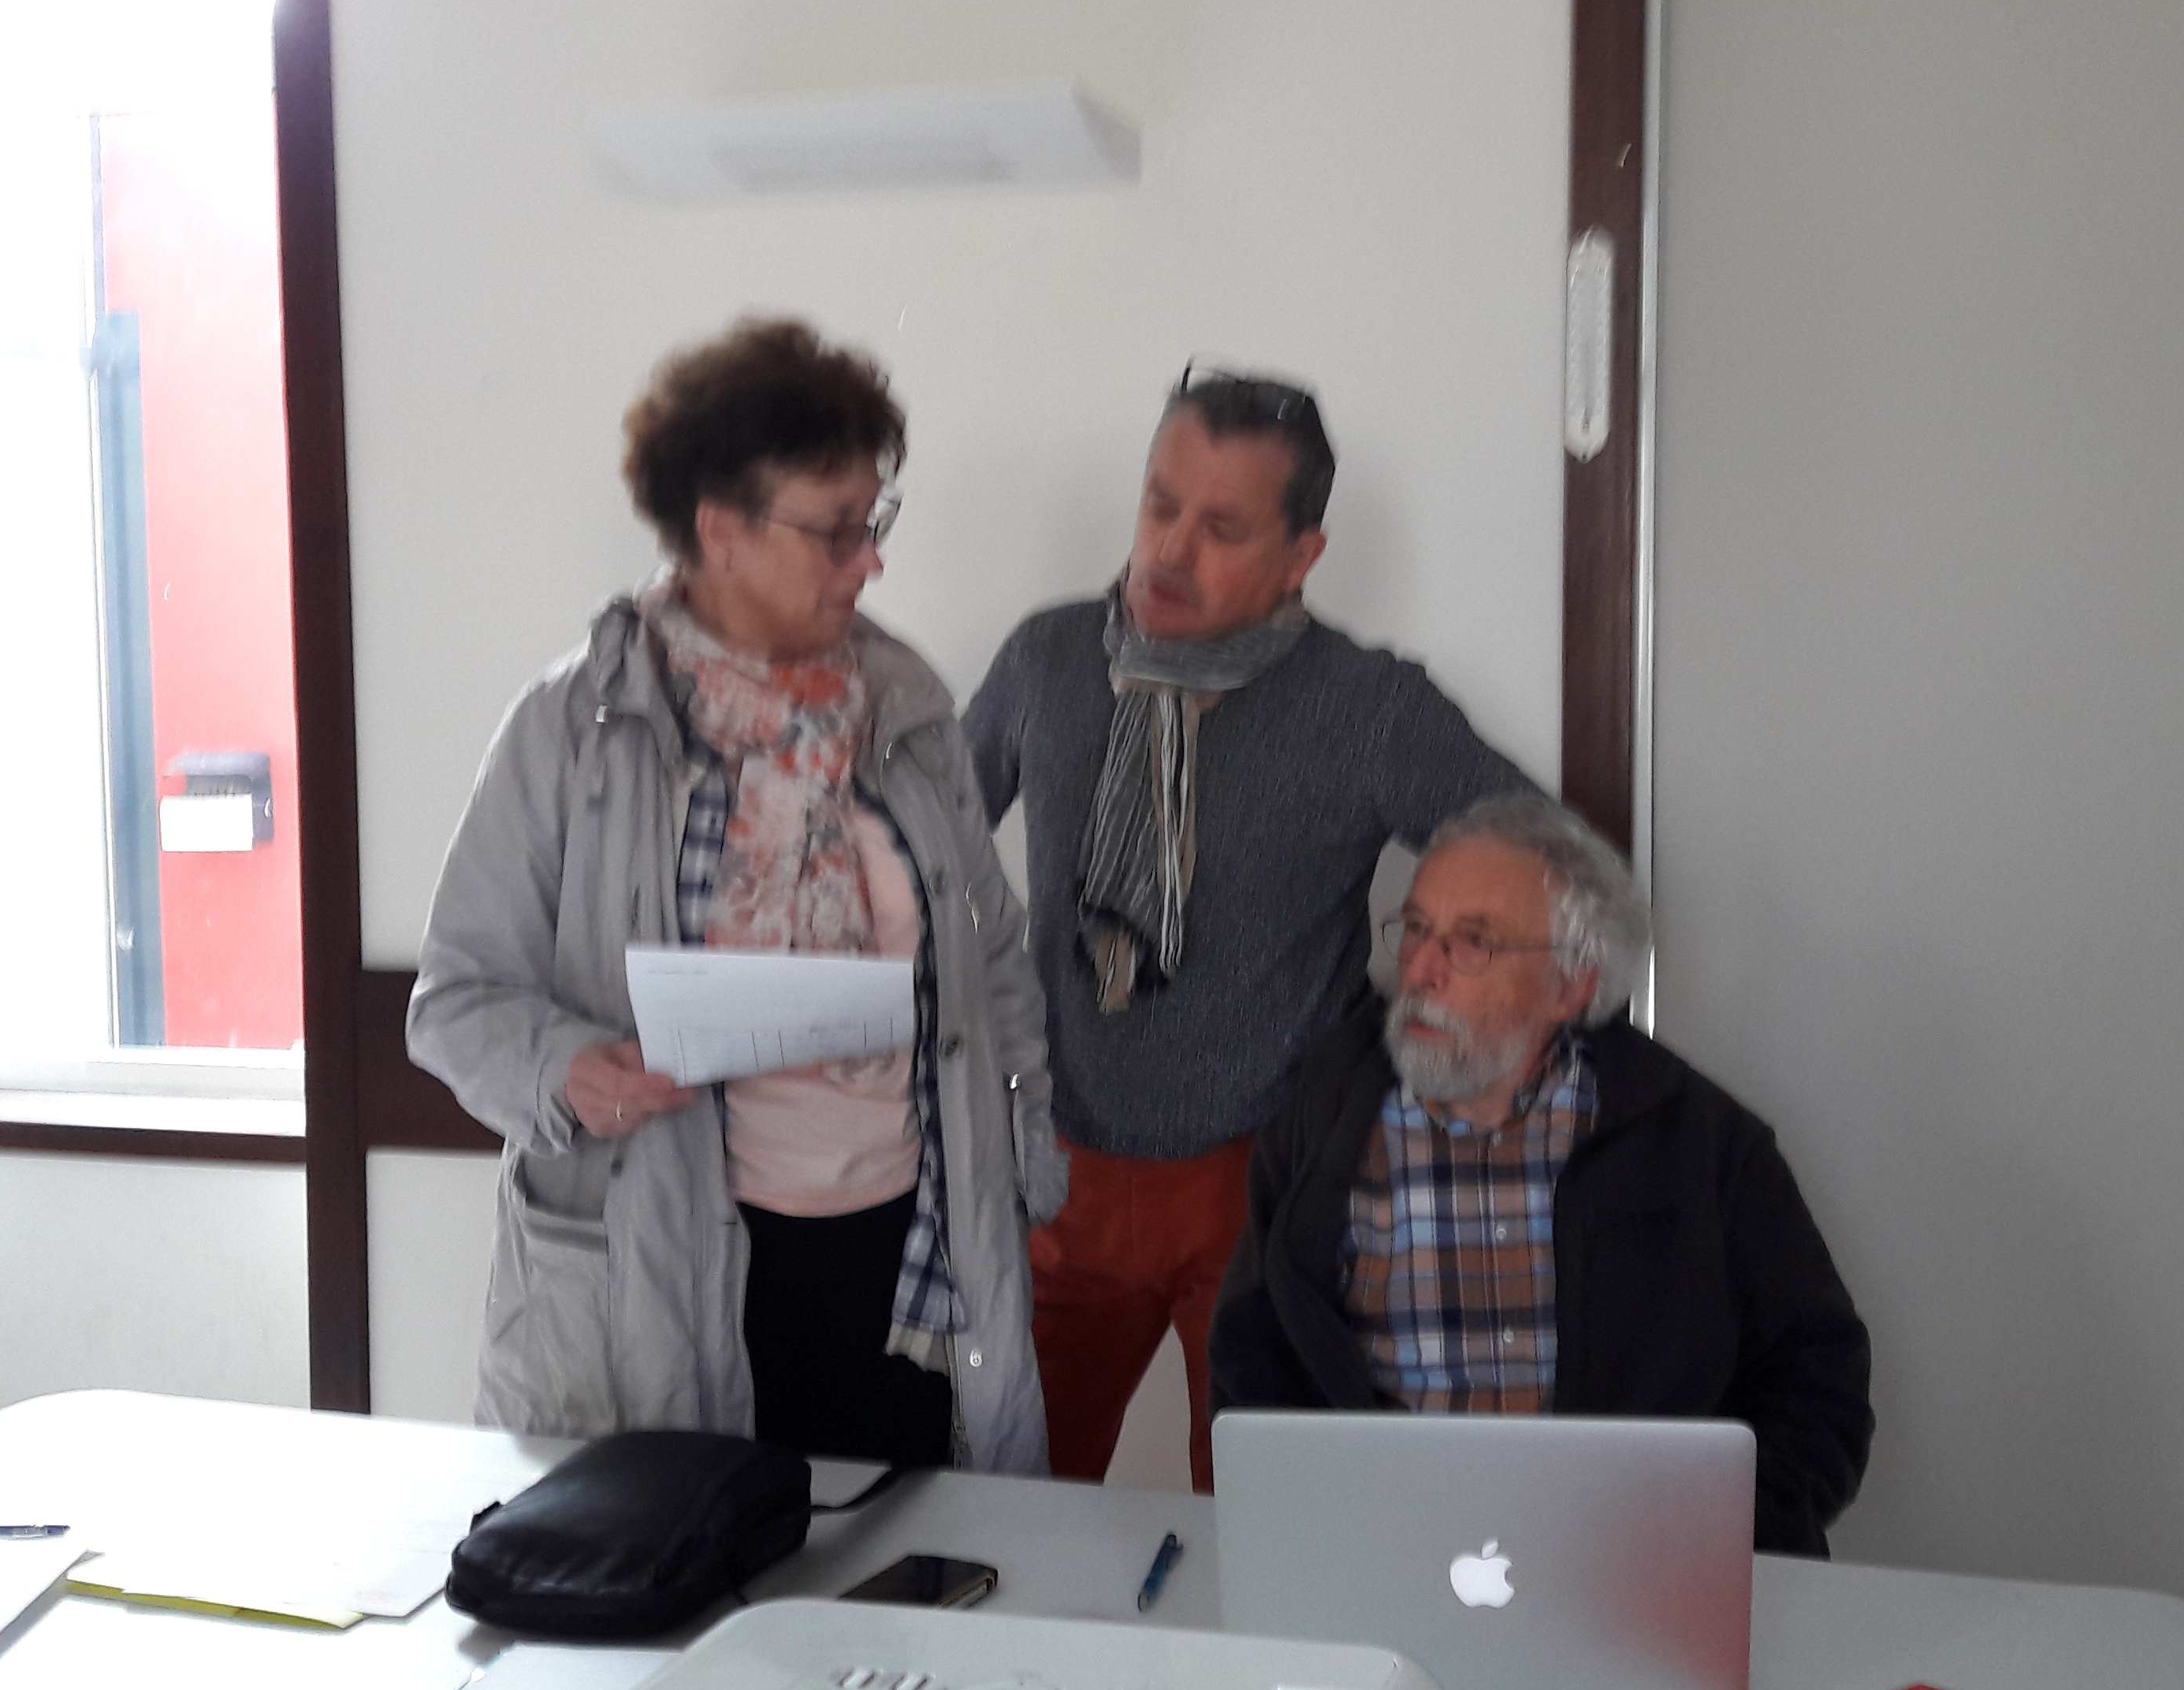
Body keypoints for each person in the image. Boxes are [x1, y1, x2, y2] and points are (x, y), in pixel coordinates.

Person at [409, 317, 1062, 1469]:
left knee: (908, 1556)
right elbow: (455, 1003)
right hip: (666, 1263)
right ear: (720, 530)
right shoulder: (574, 729)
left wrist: (1027, 1165)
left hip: (909, 1258)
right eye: (835, 531)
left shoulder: (905, 703)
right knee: (700, 1557)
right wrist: (570, 1069)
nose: (869, 562)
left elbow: (994, 959)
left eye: (874, 522)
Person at [965, 365, 1531, 1487]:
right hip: (1058, 1168)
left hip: (1267, 1184)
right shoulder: (1048, 659)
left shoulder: (1369, 710)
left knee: (1263, 1512)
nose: (1171, 552)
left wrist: (1434, 1004)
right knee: (1008, 1496)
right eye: (1160, 505)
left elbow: (1550, 872)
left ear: (1301, 556)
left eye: (1222, 528)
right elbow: (912, 853)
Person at [1209, 795, 1873, 1554]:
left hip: (1635, 1570)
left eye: (1473, 943)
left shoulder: (1700, 1144)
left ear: (1571, 986)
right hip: (1381, 1554)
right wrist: (1303, 1527)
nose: (1419, 970)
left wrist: (1722, 1539)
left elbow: (1818, 1376)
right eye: (1416, 929)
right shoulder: (1323, 1121)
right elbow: (1250, 1359)